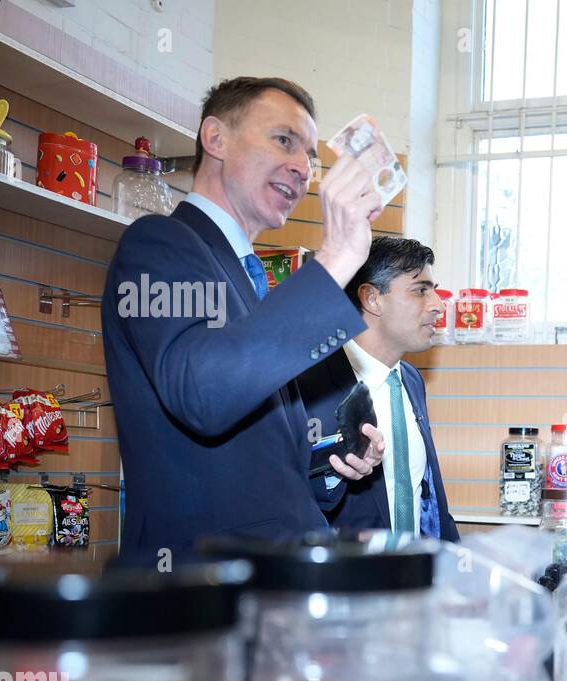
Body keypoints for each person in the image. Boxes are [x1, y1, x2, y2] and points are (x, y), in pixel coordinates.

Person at [102, 76, 387, 563]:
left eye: (311, 157)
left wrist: (332, 466)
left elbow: (258, 466)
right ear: (215, 138)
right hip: (197, 596)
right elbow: (203, 394)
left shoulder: (250, 282)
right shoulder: (158, 245)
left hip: (266, 593)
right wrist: (337, 255)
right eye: (284, 140)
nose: (302, 167)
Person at [299, 237, 459, 542]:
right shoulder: (308, 385)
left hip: (413, 579)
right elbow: (289, 497)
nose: (438, 305)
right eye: (421, 291)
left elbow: (428, 498)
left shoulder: (410, 380)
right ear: (372, 298)